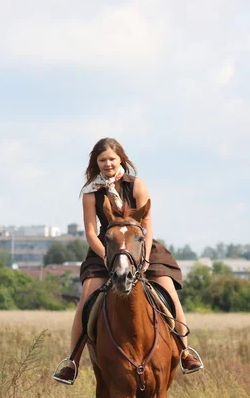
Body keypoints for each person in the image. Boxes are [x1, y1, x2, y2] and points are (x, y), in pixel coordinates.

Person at [53, 138, 202, 384]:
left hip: (140, 246)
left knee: (168, 291)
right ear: (96, 163)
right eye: (102, 160)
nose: (107, 164)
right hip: (106, 248)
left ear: (120, 158)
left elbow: (147, 225)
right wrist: (107, 256)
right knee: (85, 298)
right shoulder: (90, 192)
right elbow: (91, 232)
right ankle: (72, 362)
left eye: (111, 159)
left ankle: (186, 352)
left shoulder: (137, 186)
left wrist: (143, 260)